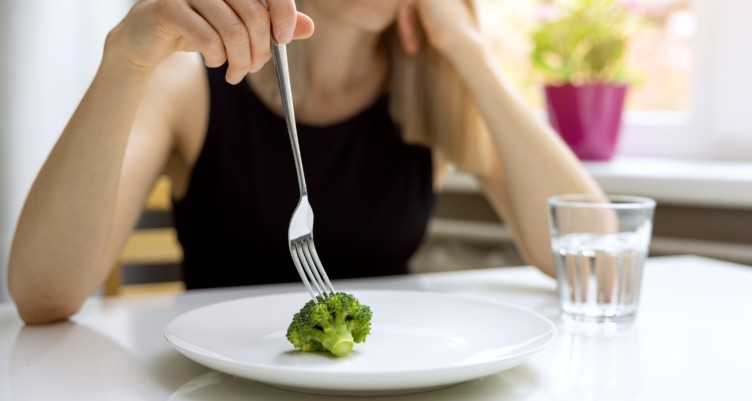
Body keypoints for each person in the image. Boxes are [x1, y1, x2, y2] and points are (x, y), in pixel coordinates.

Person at [8, 0, 601, 324]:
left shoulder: (431, 88)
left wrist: (469, 48)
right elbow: (41, 295)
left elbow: (593, 257)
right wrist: (126, 61)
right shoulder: (189, 82)